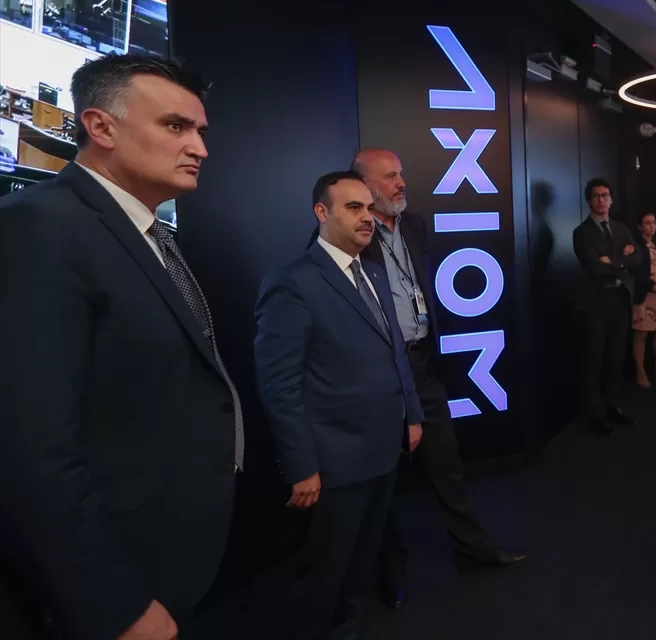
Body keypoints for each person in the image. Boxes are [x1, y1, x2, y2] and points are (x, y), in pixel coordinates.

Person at [0, 54, 242, 640]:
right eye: (175, 126)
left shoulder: (148, 231)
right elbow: (29, 449)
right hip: (109, 583)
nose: (200, 148)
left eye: (200, 131)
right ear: (100, 127)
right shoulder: (39, 225)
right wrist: (114, 603)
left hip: (165, 555)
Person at [351, 149, 526, 611]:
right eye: (391, 176)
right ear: (364, 184)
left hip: (424, 364)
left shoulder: (414, 224)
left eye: (401, 174)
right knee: (385, 477)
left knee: (447, 464)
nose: (401, 182)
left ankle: (474, 551)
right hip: (380, 370)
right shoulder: (353, 230)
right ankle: (390, 568)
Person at [255, 171, 424, 640]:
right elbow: (279, 384)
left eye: (369, 208)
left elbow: (396, 353)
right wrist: (301, 465)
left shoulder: (373, 273)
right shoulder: (292, 282)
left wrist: (412, 415)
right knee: (324, 575)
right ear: (321, 212)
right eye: (353, 207)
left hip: (383, 452)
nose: (367, 217)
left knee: (359, 568)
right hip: (334, 465)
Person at [572, 177, 641, 435]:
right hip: (595, 305)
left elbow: (638, 259)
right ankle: (595, 414)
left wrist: (612, 260)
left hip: (619, 302)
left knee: (615, 359)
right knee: (594, 362)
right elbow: (594, 267)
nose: (601, 200)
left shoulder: (621, 228)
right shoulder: (581, 232)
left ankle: (613, 406)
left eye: (605, 195)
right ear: (589, 201)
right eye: (596, 196)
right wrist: (622, 258)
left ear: (611, 199)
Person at [631, 210, 656, 389]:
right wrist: (652, 286)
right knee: (641, 333)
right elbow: (636, 272)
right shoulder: (636, 245)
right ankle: (640, 370)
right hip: (645, 295)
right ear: (640, 226)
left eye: (653, 223)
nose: (651, 226)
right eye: (647, 223)